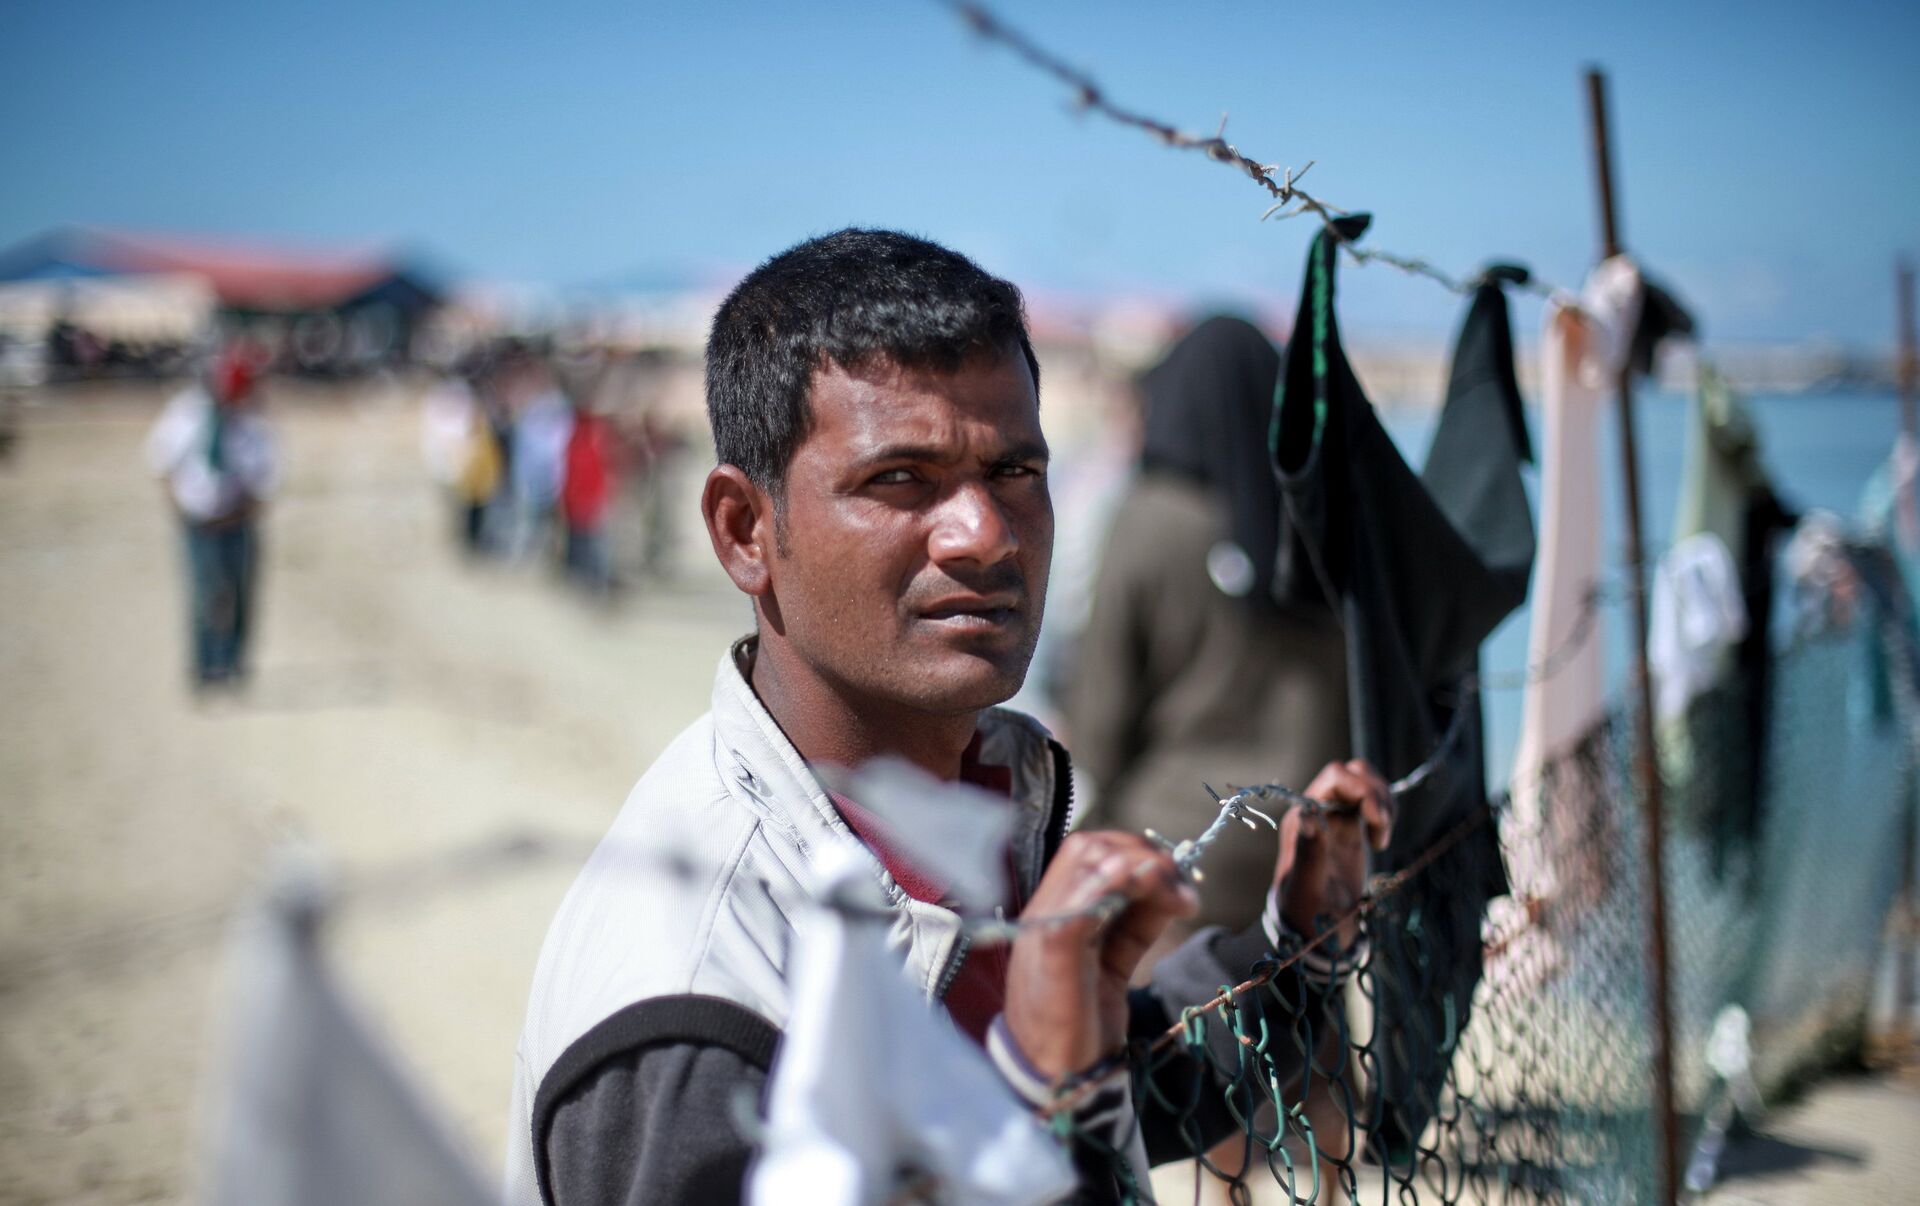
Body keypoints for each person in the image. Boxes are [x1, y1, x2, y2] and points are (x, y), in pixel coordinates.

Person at [504, 230, 1392, 1205]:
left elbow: (1113, 1083)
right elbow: (1031, 1092)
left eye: (1015, 472)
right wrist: (1037, 1090)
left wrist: (1299, 950)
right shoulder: (701, 995)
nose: (985, 534)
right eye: (900, 480)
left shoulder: (962, 811)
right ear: (745, 530)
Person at [1069, 316, 1349, 936]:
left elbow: (1101, 715)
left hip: (1175, 860)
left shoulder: (1151, 519)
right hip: (1306, 859)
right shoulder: (1325, 524)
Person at [145, 343, 278, 690]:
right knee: (204, 595)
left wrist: (240, 513)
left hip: (238, 524)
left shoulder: (255, 425)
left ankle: (234, 665)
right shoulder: (187, 414)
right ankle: (205, 667)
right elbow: (161, 464)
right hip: (198, 524)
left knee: (241, 595)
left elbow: (267, 481)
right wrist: (179, 508)